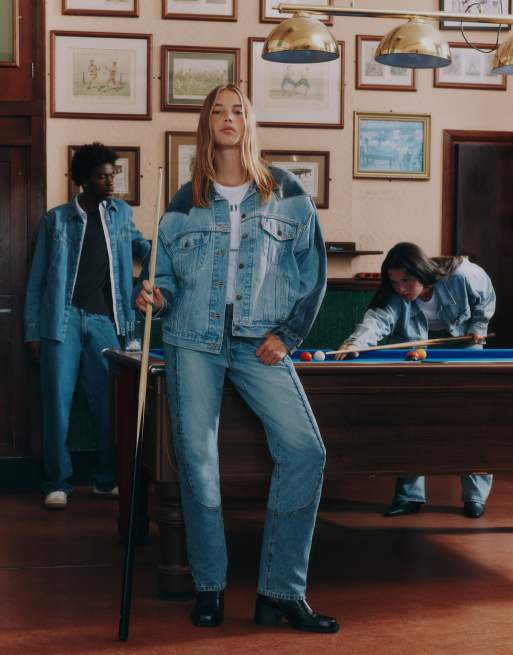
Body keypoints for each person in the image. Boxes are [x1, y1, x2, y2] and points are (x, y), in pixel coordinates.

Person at [136, 84, 338, 633]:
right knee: (198, 462)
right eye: (218, 111)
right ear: (207, 124)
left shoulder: (286, 191)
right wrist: (153, 295)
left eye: (238, 110)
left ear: (250, 122)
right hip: (190, 339)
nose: (228, 118)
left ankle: (281, 591)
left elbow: (313, 273)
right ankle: (210, 587)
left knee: (305, 450)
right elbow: (164, 279)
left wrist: (288, 334)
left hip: (259, 339)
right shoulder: (184, 200)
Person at [24, 143, 150, 510]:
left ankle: (106, 479)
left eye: (113, 175)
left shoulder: (121, 215)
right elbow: (37, 281)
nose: (110, 183)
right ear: (83, 180)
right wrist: (33, 332)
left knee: (108, 407)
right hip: (60, 324)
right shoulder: (56, 220)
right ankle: (57, 483)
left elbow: (144, 248)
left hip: (104, 323)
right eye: (101, 177)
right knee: (57, 406)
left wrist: (149, 272)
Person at [336, 242, 496, 519]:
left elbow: (486, 292)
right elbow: (376, 321)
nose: (400, 288)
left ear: (421, 272)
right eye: (394, 282)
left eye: (406, 280)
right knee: (411, 416)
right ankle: (409, 497)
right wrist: (355, 343)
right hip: (419, 349)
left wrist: (479, 324)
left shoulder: (462, 275)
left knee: (470, 419)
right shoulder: (395, 298)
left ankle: (475, 497)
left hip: (465, 343)